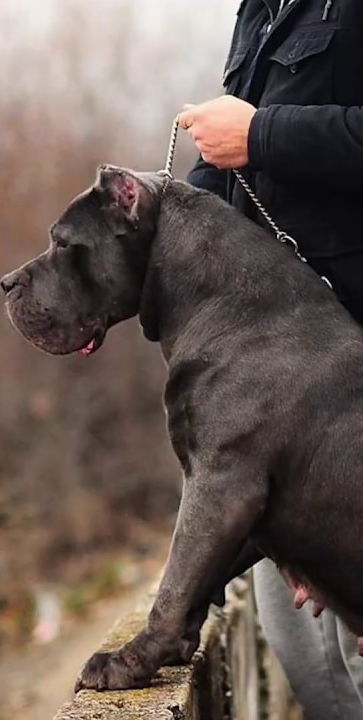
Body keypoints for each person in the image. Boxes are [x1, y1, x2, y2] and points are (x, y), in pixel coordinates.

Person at [180, 0, 363, 715]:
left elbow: (254, 140)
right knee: (302, 648)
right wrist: (140, 234)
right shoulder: (261, 8)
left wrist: (261, 133)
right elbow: (228, 176)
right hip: (280, 377)